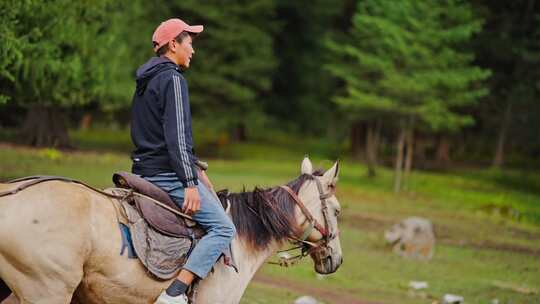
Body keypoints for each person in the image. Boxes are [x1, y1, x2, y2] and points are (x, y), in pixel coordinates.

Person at [129, 18, 236, 304]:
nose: (193, 50)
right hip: (166, 175)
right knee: (224, 227)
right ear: (173, 44)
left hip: (143, 170)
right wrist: (189, 183)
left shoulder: (146, 80)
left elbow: (160, 137)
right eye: (189, 43)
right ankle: (175, 294)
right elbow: (176, 137)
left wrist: (197, 170)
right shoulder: (173, 79)